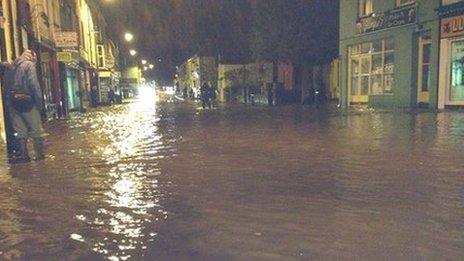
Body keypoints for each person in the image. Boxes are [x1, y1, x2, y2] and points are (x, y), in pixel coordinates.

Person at [7, 50, 45, 163]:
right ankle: (40, 158)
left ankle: (24, 157)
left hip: (13, 102)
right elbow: (33, 84)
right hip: (28, 102)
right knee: (36, 130)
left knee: (21, 131)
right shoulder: (29, 65)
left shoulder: (12, 67)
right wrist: (39, 103)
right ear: (32, 57)